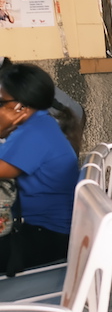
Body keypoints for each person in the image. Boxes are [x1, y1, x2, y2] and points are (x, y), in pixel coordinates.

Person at [0, 64, 80, 275]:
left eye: (1, 102)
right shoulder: (40, 124)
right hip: (50, 232)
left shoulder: (33, 132)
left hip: (44, 239)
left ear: (19, 106)